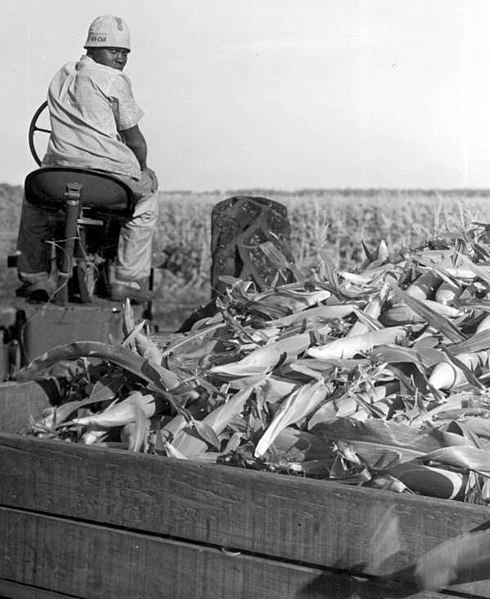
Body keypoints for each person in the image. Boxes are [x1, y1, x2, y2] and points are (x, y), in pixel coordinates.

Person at [16, 15, 159, 303]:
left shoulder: (63, 75)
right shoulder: (114, 81)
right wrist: (143, 171)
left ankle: (35, 278)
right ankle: (128, 279)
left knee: (34, 201)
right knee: (147, 198)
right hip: (106, 182)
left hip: (56, 176)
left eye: (124, 52)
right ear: (93, 49)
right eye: (114, 50)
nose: (120, 57)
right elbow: (135, 141)